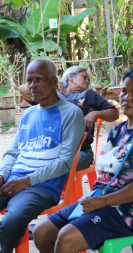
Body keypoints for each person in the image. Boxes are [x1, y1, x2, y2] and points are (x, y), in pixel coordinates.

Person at [33, 67, 133, 253]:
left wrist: (104, 202)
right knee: (42, 232)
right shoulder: (119, 130)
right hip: (103, 199)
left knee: (67, 238)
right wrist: (98, 200)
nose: (127, 98)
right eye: (124, 92)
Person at [0, 59, 85, 253]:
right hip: (12, 178)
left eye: (38, 79)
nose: (32, 85)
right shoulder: (28, 114)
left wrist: (28, 181)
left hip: (42, 186)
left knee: (12, 221)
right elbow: (13, 152)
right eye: (29, 80)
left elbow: (64, 163)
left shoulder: (71, 113)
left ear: (55, 82)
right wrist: (3, 175)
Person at [59, 66, 119, 170]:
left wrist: (95, 114)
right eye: (84, 77)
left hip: (80, 151)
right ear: (70, 78)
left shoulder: (88, 94)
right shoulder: (55, 96)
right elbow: (24, 91)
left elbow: (114, 113)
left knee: (56, 168)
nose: (87, 80)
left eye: (88, 79)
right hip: (54, 150)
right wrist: (50, 84)